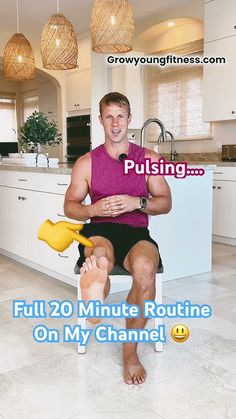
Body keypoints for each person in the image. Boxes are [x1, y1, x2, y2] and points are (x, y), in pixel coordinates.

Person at [64, 92, 172, 385]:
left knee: (145, 269)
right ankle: (96, 289)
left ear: (129, 119)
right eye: (109, 116)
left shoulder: (148, 158)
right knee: (100, 256)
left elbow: (165, 202)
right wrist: (92, 208)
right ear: (100, 120)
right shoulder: (87, 162)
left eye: (120, 116)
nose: (115, 123)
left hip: (137, 231)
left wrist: (137, 202)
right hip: (99, 228)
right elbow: (70, 206)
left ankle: (130, 352)